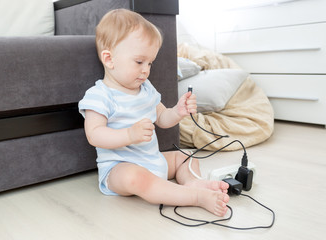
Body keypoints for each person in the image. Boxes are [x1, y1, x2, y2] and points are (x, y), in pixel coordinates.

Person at [78, 9, 229, 217]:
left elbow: (163, 118)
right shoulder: (100, 95)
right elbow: (94, 134)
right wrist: (129, 135)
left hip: (153, 160)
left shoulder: (146, 89)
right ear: (109, 59)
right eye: (139, 62)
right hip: (119, 168)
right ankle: (193, 197)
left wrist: (177, 111)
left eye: (150, 63)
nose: (146, 70)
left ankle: (193, 182)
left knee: (185, 156)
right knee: (136, 178)